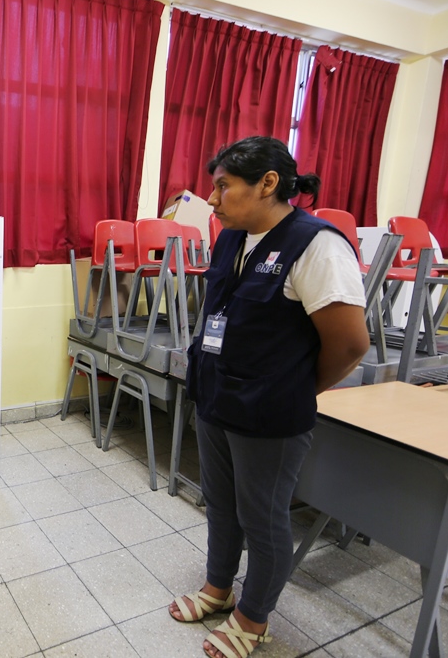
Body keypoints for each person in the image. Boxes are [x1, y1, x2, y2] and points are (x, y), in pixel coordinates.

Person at [170, 136, 369, 658]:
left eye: (223, 186)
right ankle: (218, 588)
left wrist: (292, 388)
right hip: (217, 395)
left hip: (269, 414)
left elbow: (350, 343)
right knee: (221, 505)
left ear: (268, 183)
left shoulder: (317, 245)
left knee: (264, 517)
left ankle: (253, 618)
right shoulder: (232, 238)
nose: (211, 200)